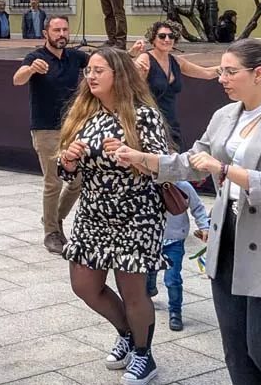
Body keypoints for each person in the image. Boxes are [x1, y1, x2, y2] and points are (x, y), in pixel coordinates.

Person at [115, 39, 261, 385]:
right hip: (229, 239)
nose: (221, 78)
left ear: (258, 74)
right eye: (221, 71)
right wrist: (145, 160)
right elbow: (192, 163)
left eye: (230, 71)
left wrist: (224, 170)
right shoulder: (225, 115)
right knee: (236, 352)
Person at [55, 47, 171, 385]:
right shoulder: (84, 114)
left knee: (133, 290)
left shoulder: (143, 115)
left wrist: (133, 157)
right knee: (84, 286)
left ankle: (144, 355)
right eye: (88, 70)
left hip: (136, 213)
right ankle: (127, 333)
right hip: (93, 213)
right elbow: (67, 174)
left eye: (98, 70)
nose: (90, 76)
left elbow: (163, 166)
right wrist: (69, 161)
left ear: (118, 75)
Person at [12, 15, 88, 254]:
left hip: (73, 128)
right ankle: (52, 233)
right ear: (46, 34)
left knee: (78, 181)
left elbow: (103, 61)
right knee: (53, 181)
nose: (62, 34)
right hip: (46, 128)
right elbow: (17, 79)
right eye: (56, 30)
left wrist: (134, 55)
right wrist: (31, 70)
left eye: (65, 29)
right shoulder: (36, 57)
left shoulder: (75, 57)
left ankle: (53, 219)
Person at [130, 21, 218, 149]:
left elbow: (207, 73)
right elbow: (133, 88)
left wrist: (230, 67)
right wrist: (133, 62)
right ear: (153, 39)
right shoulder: (145, 59)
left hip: (171, 122)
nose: (167, 39)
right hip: (150, 122)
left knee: (174, 162)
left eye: (171, 36)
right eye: (162, 36)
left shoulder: (176, 61)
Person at [146, 180, 209, 332]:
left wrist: (204, 226)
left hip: (174, 239)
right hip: (150, 238)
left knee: (173, 279)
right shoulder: (147, 185)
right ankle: (150, 289)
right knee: (149, 271)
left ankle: (175, 311)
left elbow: (198, 207)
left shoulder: (183, 187)